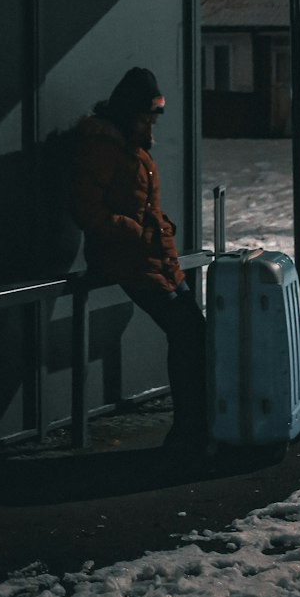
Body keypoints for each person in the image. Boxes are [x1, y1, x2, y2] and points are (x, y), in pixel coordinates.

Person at [69, 67, 207, 450]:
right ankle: (189, 431)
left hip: (152, 256)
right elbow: (87, 208)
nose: (150, 122)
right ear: (127, 112)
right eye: (146, 115)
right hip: (124, 258)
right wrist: (133, 230)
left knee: (194, 331)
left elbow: (145, 205)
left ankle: (195, 424)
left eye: (153, 115)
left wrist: (158, 229)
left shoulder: (134, 145)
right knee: (187, 331)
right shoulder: (103, 146)